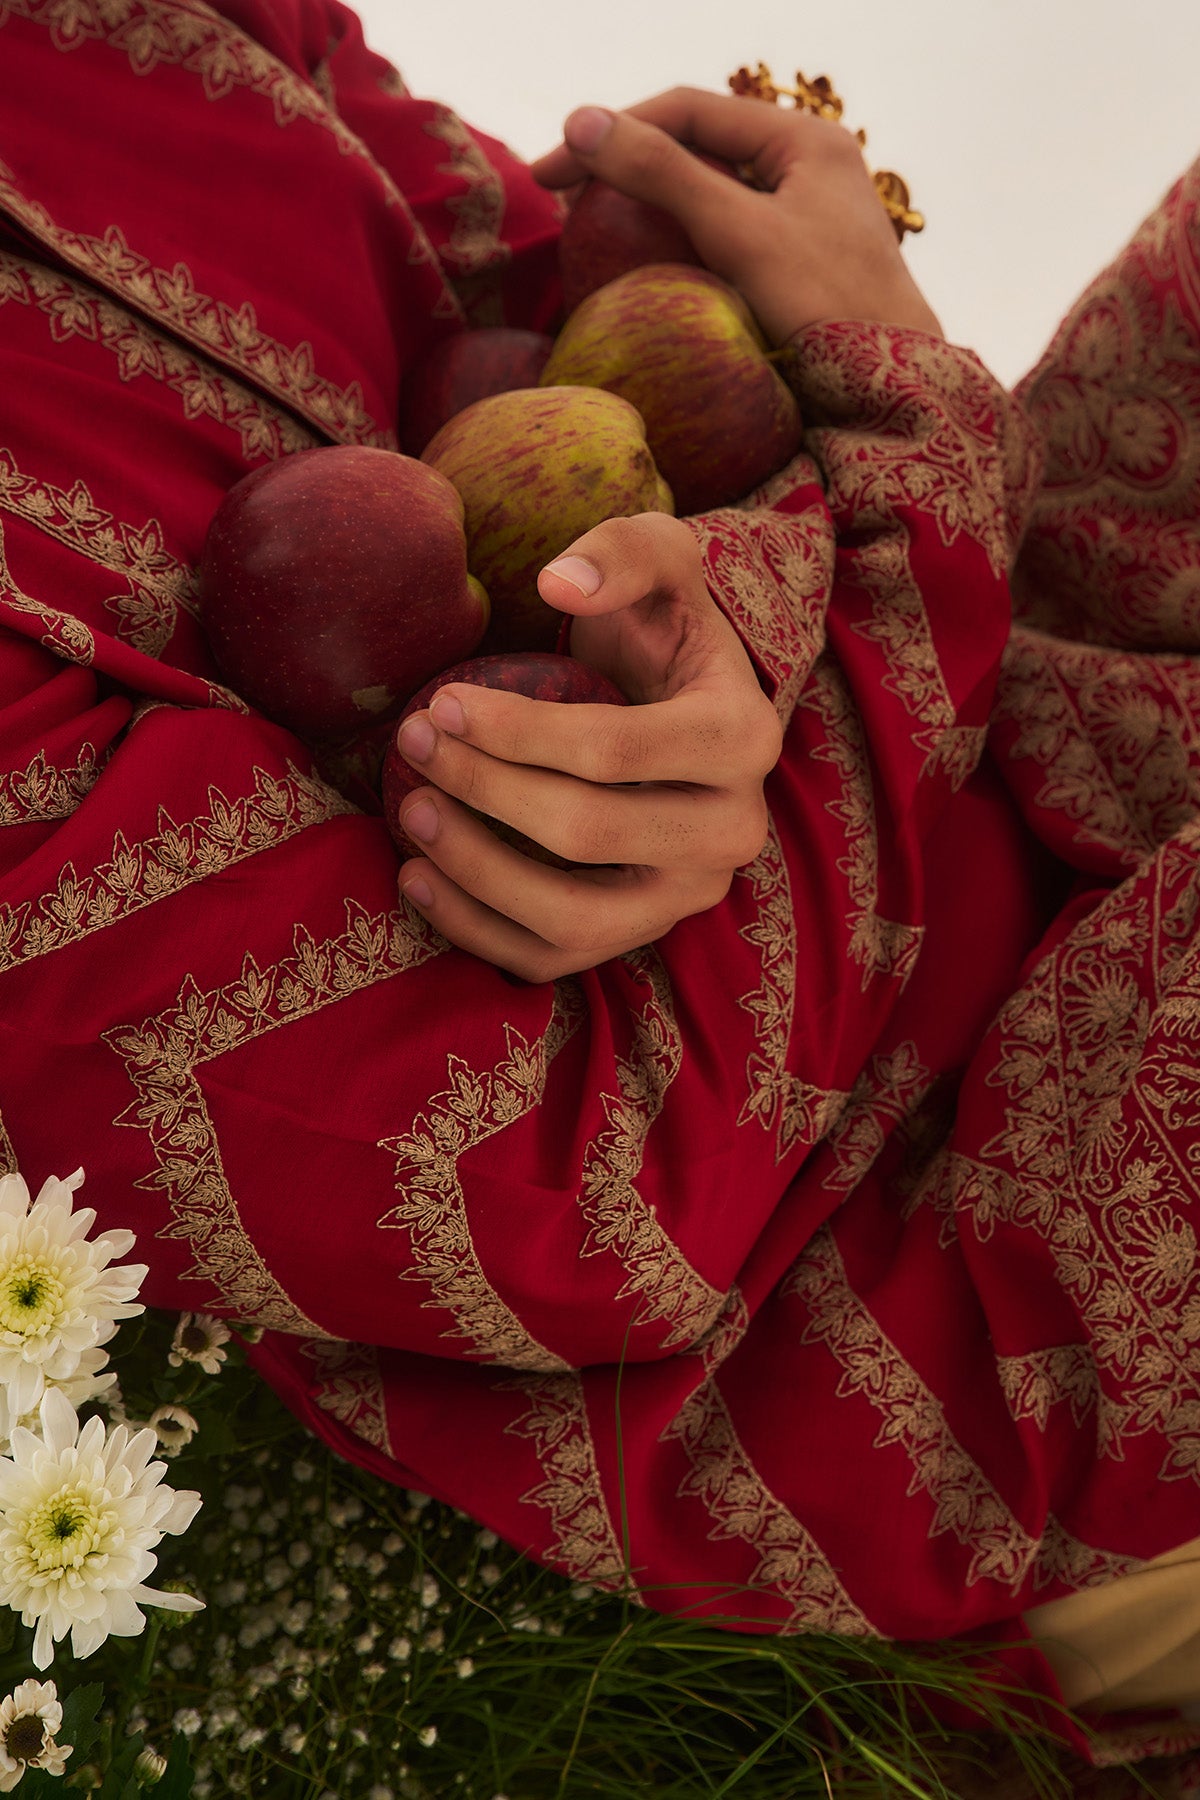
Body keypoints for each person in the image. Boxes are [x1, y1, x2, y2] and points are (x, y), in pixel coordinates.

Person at [1, 0, 1199, 1767]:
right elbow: (590, 1193)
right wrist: (878, 460)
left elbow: (545, 300)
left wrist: (741, 597)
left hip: (1032, 713)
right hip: (939, 1276)